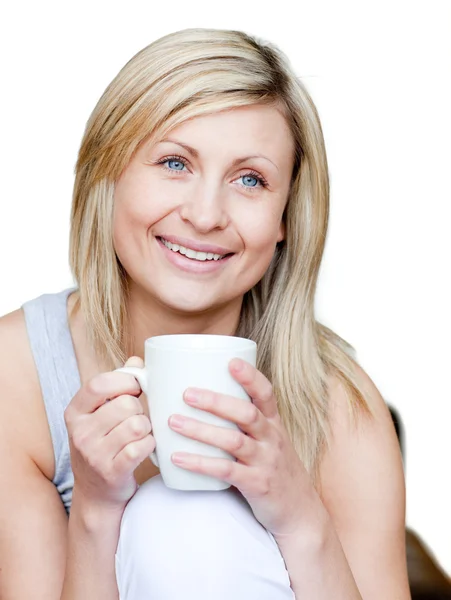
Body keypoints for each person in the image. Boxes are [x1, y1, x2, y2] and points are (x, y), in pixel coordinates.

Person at [0, 27, 411, 599]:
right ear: (109, 171)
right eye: (174, 163)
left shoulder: (339, 403)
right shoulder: (15, 375)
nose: (205, 214)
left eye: (250, 179)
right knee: (166, 516)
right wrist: (94, 512)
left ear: (286, 215)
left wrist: (298, 516)